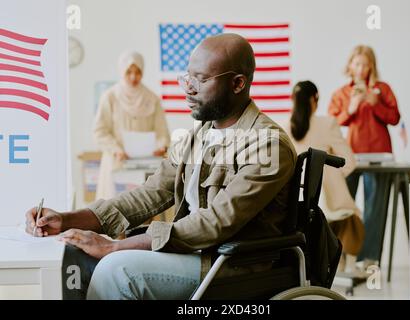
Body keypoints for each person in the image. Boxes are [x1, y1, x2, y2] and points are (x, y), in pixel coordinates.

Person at [24, 34, 297, 300]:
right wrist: (66, 220)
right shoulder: (197, 136)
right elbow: (147, 195)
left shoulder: (268, 145)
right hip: (193, 254)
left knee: (116, 271)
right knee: (72, 254)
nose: (189, 88)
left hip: (227, 264)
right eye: (188, 77)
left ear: (238, 83)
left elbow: (214, 223)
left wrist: (114, 246)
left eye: (201, 80)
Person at [328, 45, 400, 267]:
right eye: (357, 63)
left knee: (374, 208)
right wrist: (351, 109)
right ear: (350, 65)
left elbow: (395, 118)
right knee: (341, 206)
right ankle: (336, 255)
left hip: (379, 156)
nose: (361, 68)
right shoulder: (341, 93)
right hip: (350, 157)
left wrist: (375, 104)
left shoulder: (383, 89)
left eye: (365, 64)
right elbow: (332, 124)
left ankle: (367, 258)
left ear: (372, 66)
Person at [284, 80, 364, 273]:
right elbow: (349, 162)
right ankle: (348, 267)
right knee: (353, 220)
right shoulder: (327, 124)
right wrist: (330, 177)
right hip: (326, 205)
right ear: (315, 100)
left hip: (292, 206)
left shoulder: (283, 125)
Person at [94, 51, 171, 200]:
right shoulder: (110, 97)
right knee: (113, 210)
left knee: (144, 207)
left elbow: (162, 131)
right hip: (117, 164)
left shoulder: (152, 98)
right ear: (122, 71)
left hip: (146, 166)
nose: (133, 77)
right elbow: (100, 131)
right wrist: (116, 149)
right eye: (129, 72)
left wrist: (162, 146)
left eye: (138, 72)